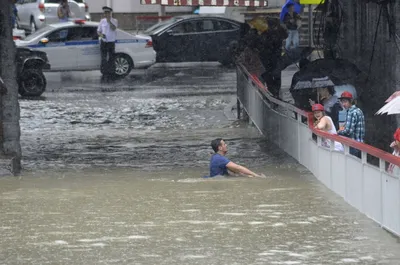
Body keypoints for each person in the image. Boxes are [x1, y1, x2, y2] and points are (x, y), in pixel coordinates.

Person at [337, 91, 365, 158]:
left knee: (351, 165)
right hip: (361, 145)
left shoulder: (351, 112)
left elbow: (348, 131)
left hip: (353, 145)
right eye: (342, 102)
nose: (343, 104)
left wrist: (338, 132)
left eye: (345, 101)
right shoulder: (359, 110)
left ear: (350, 101)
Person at [97, 6, 118, 78]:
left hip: (111, 42)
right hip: (104, 42)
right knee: (103, 57)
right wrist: (101, 35)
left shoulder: (114, 20)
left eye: (107, 13)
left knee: (111, 57)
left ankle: (111, 71)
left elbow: (114, 28)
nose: (105, 14)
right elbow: (98, 31)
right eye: (105, 13)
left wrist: (109, 22)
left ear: (110, 13)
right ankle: (104, 71)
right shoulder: (102, 21)